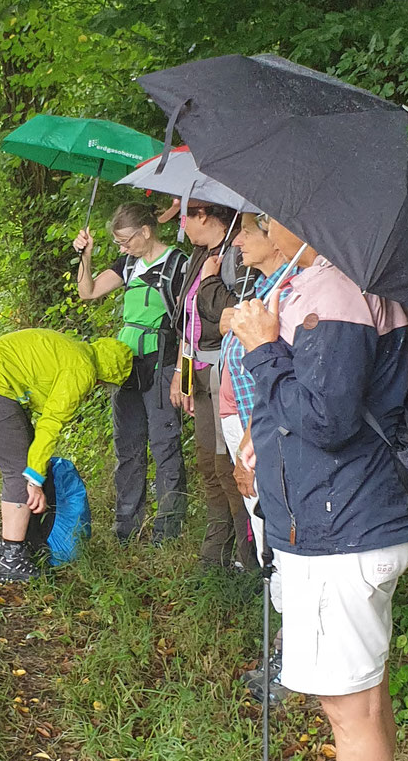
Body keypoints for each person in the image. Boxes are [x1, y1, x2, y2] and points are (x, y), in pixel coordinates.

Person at [232, 218, 408, 761]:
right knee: (362, 701)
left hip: (342, 529)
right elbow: (314, 411)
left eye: (258, 213)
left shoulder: (338, 288)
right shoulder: (323, 284)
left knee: (351, 711)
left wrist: (263, 350)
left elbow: (329, 419)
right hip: (342, 518)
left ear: (296, 218)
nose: (248, 226)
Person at [0, 329, 132, 582]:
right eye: (106, 384)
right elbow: (51, 424)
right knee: (20, 469)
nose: (100, 388)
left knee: (28, 460)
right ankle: (12, 559)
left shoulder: (75, 351)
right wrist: (34, 479)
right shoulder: (81, 369)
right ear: (108, 373)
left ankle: (16, 546)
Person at [218, 211, 300, 699]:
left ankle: (291, 660)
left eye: (251, 230)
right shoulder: (269, 286)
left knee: (280, 537)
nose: (241, 240)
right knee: (270, 532)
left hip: (265, 434)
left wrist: (250, 443)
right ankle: (288, 653)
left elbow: (280, 375)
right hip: (249, 427)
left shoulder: (293, 292)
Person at [74, 201, 187, 544]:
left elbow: (189, 324)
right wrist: (85, 256)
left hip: (162, 362)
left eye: (125, 240)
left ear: (146, 231)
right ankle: (127, 526)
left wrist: (182, 371)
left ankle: (167, 532)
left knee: (165, 445)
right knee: (128, 446)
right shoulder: (129, 263)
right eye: (117, 243)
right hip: (125, 365)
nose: (121, 248)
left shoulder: (177, 264)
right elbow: (87, 291)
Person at [169, 201, 250, 571]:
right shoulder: (199, 256)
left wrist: (212, 281)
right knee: (207, 463)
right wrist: (180, 372)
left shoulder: (238, 252)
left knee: (226, 466)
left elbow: (236, 315)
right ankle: (214, 556)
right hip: (199, 373)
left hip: (226, 375)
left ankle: (249, 561)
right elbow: (189, 321)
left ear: (203, 215)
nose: (181, 225)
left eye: (184, 216)